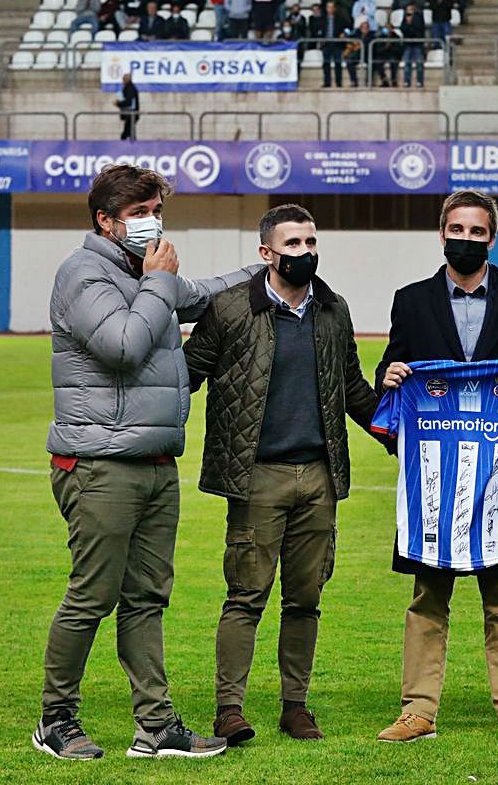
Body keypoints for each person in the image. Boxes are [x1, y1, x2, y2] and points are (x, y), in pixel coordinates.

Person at [38, 165, 246, 761]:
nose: (151, 222)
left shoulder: (141, 272)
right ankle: (56, 719)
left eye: (156, 209)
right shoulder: (82, 273)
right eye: (138, 211)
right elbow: (125, 345)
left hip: (155, 459)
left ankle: (155, 726)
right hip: (98, 461)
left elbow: (206, 292)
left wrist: (269, 265)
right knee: (91, 596)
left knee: (148, 597)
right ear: (105, 219)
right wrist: (160, 284)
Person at [182, 204, 378, 747]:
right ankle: (229, 709)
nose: (305, 253)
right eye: (292, 245)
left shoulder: (333, 310)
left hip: (319, 476)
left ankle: (296, 706)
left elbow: (353, 389)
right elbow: (185, 376)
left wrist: (404, 431)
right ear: (266, 253)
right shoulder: (228, 310)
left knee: (305, 599)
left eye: (310, 243)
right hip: (254, 476)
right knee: (246, 595)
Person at [372, 191, 498, 745]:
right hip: (435, 480)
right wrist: (390, 374)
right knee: (428, 597)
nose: (467, 239)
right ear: (441, 233)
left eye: (477, 232)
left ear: (492, 238)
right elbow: (392, 363)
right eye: (457, 229)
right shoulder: (411, 301)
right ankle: (418, 711)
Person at [117, 73, 140, 140]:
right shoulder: (130, 88)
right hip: (130, 114)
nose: (122, 82)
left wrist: (119, 104)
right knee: (130, 132)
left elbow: (128, 102)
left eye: (123, 80)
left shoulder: (129, 88)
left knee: (126, 133)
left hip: (130, 114)